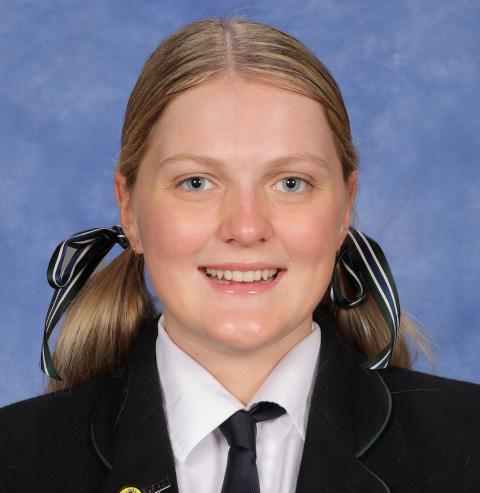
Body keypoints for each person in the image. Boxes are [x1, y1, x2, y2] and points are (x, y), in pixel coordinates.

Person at [1, 16, 479, 493]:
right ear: (129, 209)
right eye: (196, 183)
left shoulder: (469, 441)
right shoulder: (13, 456)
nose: (247, 228)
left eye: (290, 183)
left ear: (345, 208)